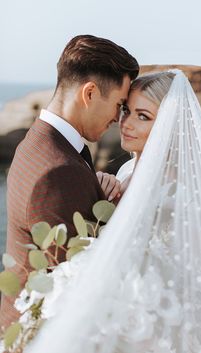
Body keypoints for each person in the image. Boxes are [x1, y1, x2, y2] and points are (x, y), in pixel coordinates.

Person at [25, 70, 201, 353]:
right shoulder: (126, 170)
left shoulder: (177, 191)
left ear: (170, 125)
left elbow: (196, 280)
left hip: (152, 331)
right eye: (126, 111)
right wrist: (101, 190)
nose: (125, 123)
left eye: (143, 116)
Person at [0, 34, 139, 328]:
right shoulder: (58, 171)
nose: (119, 118)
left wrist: (92, 189)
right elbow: (74, 277)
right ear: (89, 94)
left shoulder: (40, 141)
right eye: (118, 104)